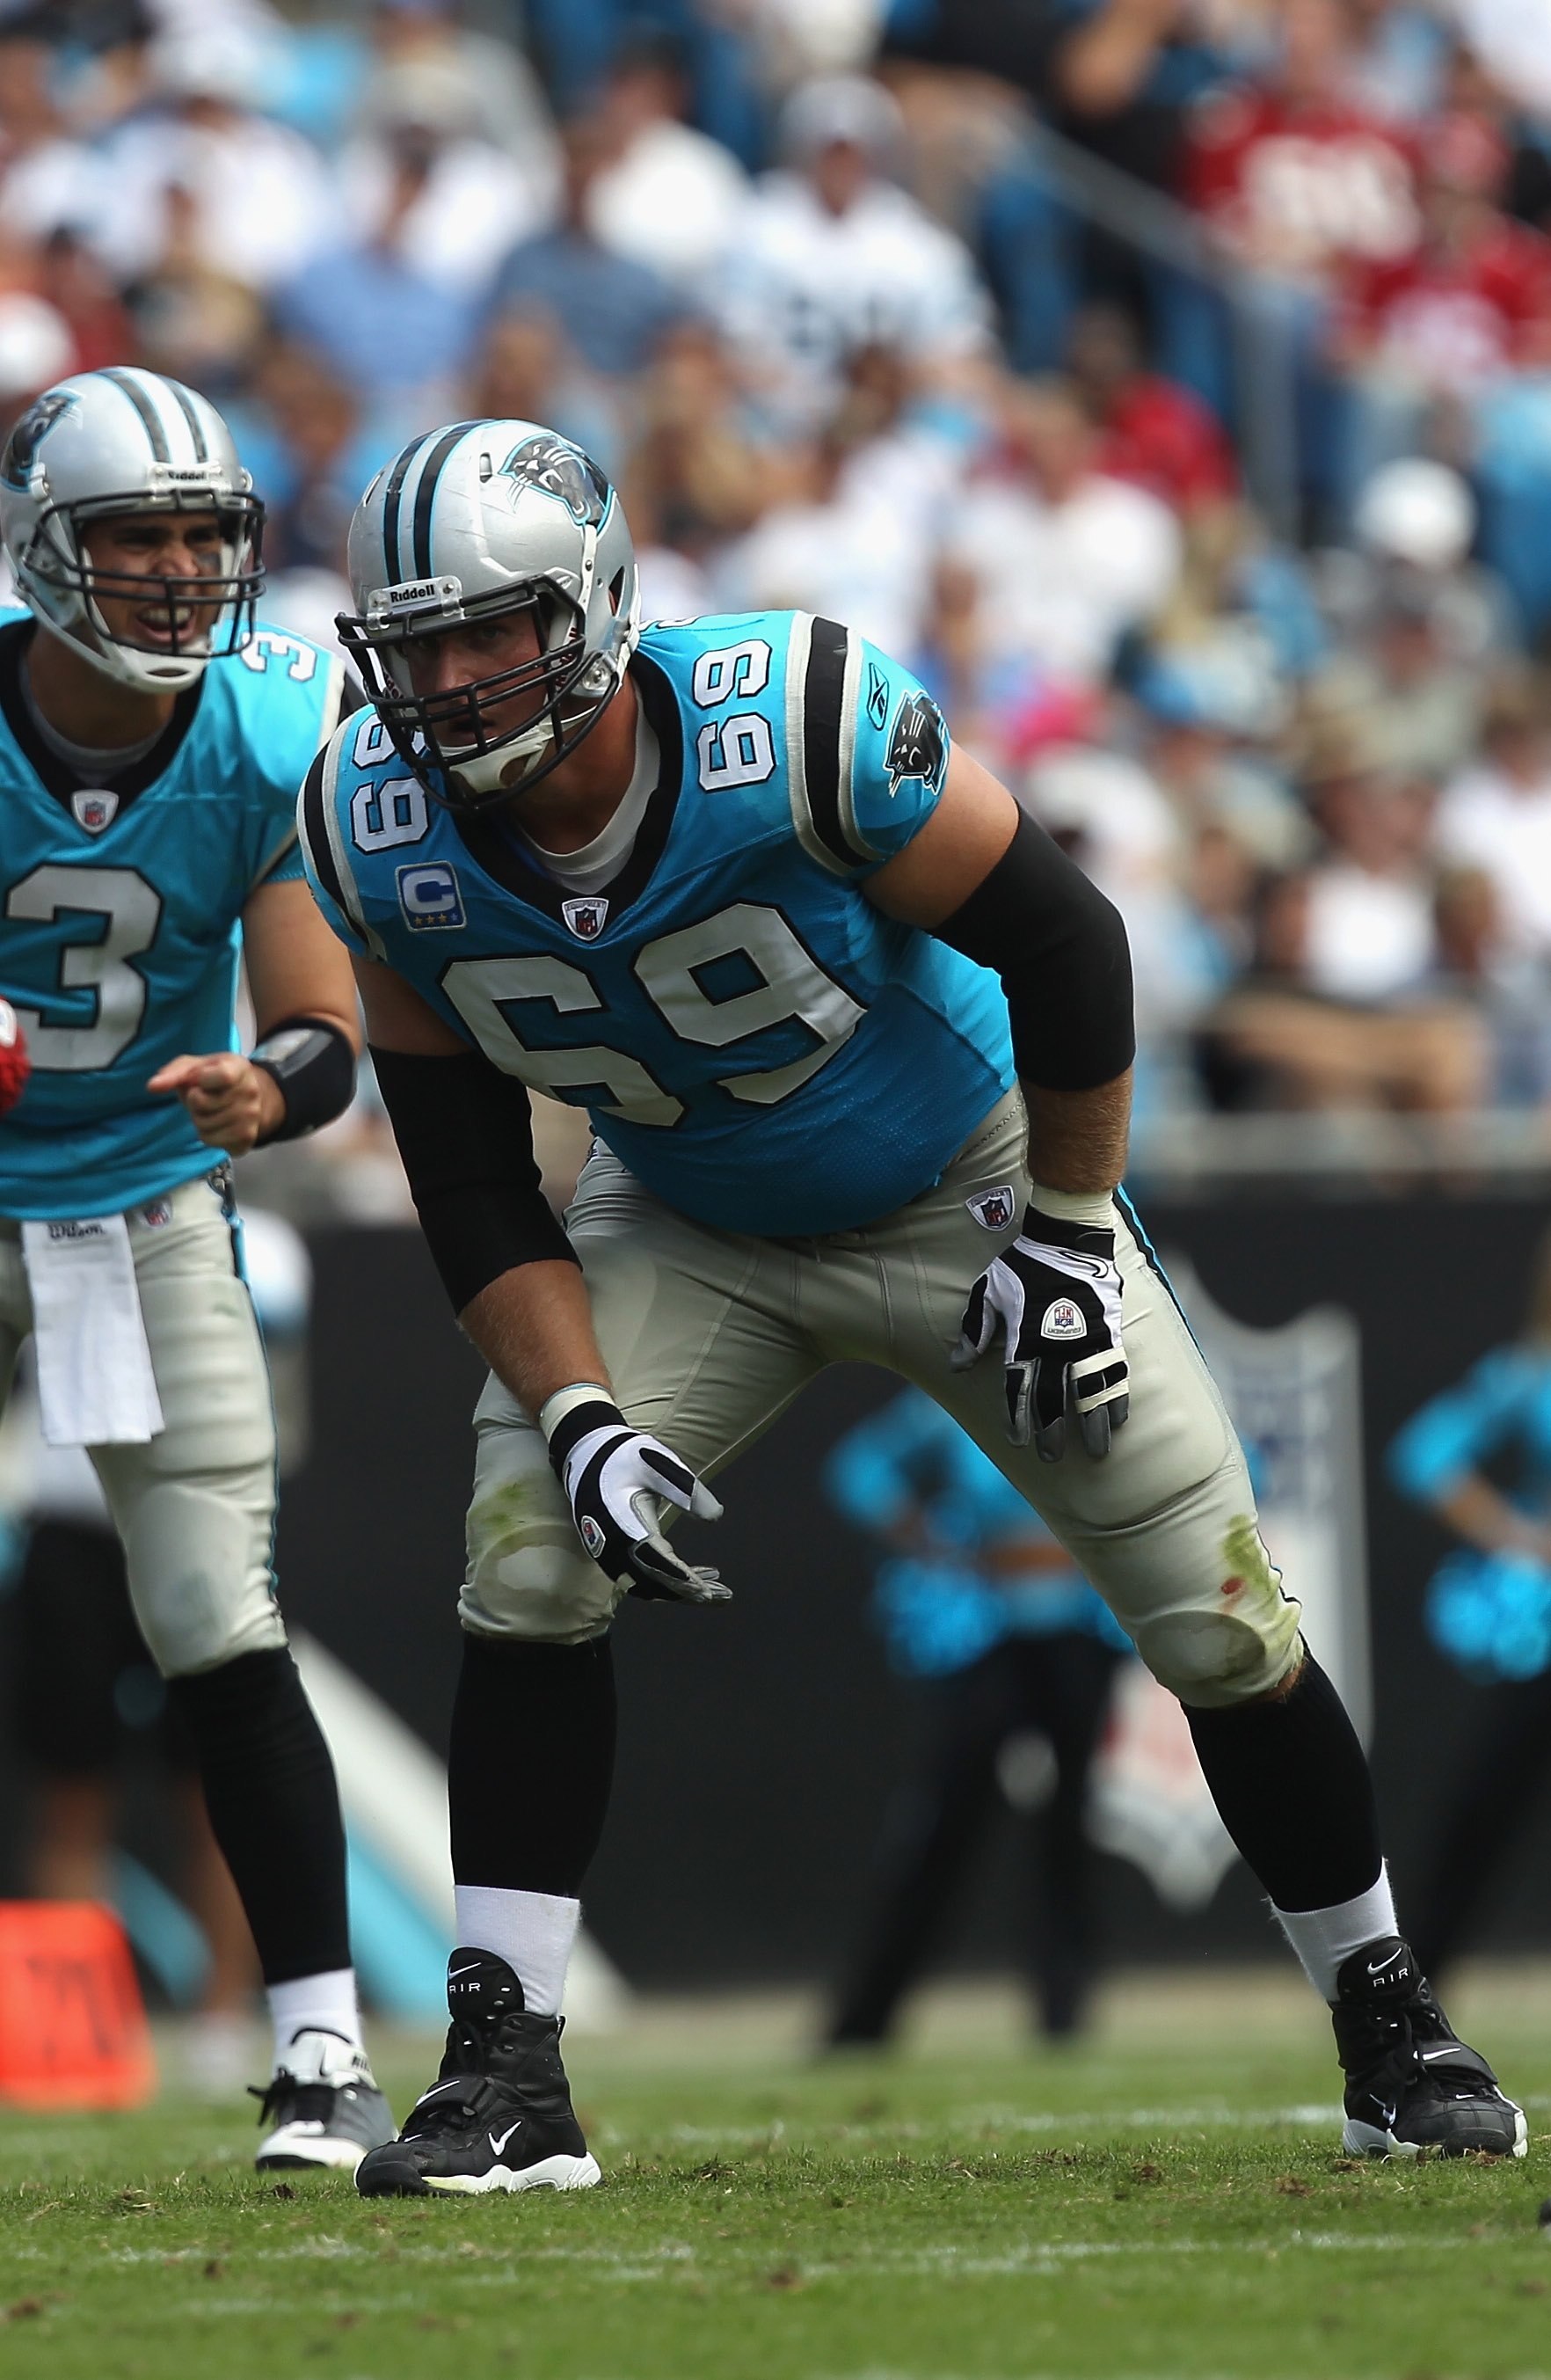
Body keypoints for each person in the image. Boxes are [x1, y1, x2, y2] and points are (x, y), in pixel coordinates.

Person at [296, 412, 1524, 2198]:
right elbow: (470, 1175)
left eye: (493, 631)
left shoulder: (781, 720)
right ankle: (505, 2075)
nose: (456, 681)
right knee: (530, 1543)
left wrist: (1075, 1228)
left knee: (1215, 1610)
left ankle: (1391, 2029)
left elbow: (1068, 937)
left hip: (972, 1183)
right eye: (419, 644)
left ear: (598, 608)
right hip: (689, 1215)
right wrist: (574, 1416)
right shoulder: (373, 825)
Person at [0, 365, 391, 2171]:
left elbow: (323, 1023)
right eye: (132, 534)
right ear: (41, 548)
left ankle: (319, 2052)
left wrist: (268, 1089)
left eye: (196, 534)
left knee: (218, 1622)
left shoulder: (259, 722)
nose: (171, 570)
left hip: (146, 1196)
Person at [822, 1388, 1132, 2046]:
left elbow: (1233, 1464)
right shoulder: (955, 1394)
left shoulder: (1123, 1381)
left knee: (1070, 1821)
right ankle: (865, 2018)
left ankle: (1064, 2015)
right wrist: (916, 1532)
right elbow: (859, 1468)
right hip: (984, 1634)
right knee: (945, 1818)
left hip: (1082, 1632)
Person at [1388, 1229, 1551, 1980]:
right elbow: (1423, 1454)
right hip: (1541, 1636)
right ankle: (1419, 1975)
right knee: (1487, 1804)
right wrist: (1511, 1530)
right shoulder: (1527, 1375)